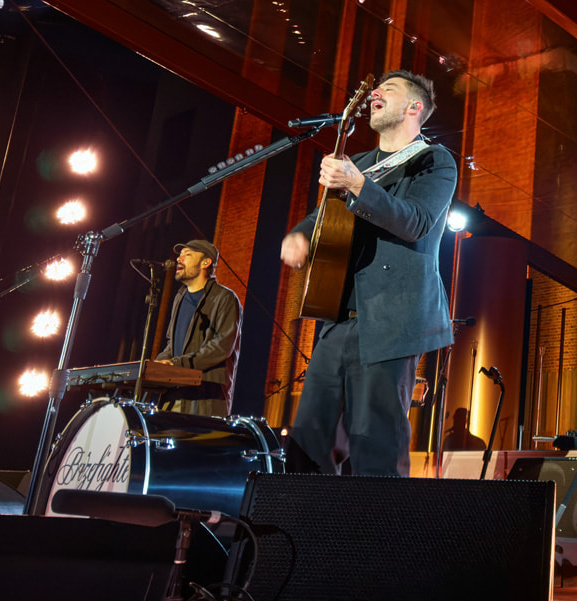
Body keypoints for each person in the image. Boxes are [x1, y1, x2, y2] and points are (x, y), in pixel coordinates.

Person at [280, 71, 458, 477]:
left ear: (414, 107)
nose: (376, 93)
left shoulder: (434, 160)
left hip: (393, 320)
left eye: (388, 89)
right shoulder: (357, 162)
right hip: (338, 319)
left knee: (374, 441)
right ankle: (304, 531)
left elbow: (416, 222)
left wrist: (359, 185)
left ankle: (374, 534)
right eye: (377, 89)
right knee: (308, 438)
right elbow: (321, 216)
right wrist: (301, 236)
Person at [155, 239, 241, 417]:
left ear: (205, 262)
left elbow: (221, 347)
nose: (179, 259)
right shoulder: (180, 297)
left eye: (187, 255)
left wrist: (176, 364)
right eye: (179, 255)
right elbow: (172, 344)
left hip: (205, 399)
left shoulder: (224, 298)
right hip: (173, 395)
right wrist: (156, 365)